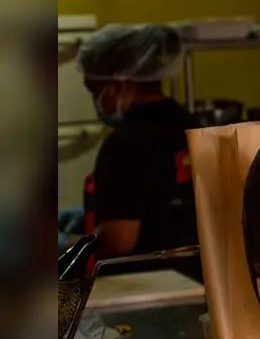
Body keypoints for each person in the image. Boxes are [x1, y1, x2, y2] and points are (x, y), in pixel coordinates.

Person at [75, 23, 201, 279]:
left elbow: (120, 241)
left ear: (119, 84)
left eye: (95, 90)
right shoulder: (191, 125)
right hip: (198, 278)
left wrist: (75, 245)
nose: (96, 102)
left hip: (145, 285)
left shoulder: (124, 143)